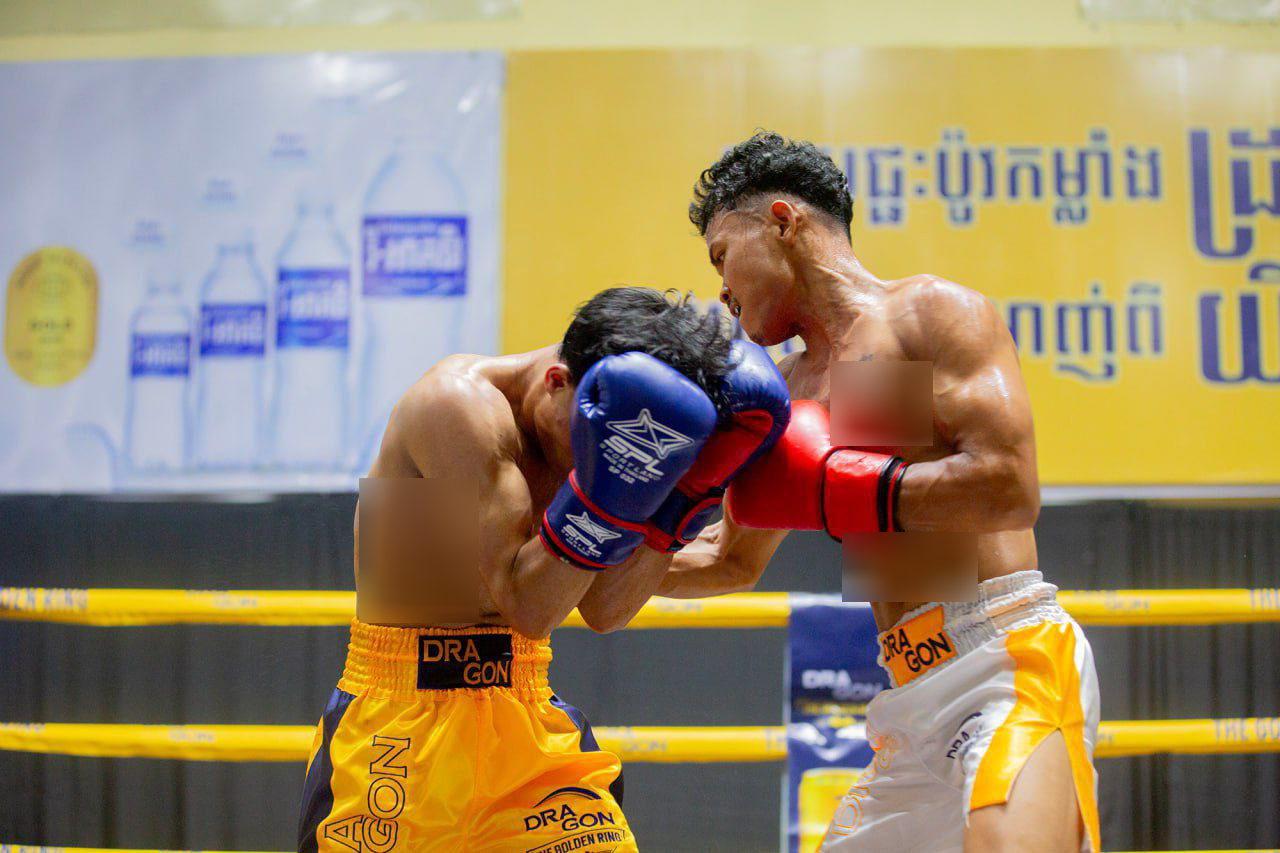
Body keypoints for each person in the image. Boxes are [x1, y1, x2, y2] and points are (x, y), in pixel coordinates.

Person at [660, 132, 1102, 853]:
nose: (720, 289)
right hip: (905, 700)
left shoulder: (925, 315)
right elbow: (727, 559)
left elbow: (1007, 487)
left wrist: (849, 489)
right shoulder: (786, 392)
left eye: (721, 255)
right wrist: (598, 553)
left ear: (782, 222)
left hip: (1004, 659)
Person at [297, 286, 790, 852]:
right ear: (558, 381)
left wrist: (681, 499)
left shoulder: (622, 436)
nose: (605, 457)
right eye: (595, 436)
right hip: (401, 725)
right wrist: (608, 496)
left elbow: (604, 610)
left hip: (525, 711)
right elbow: (528, 607)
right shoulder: (455, 407)